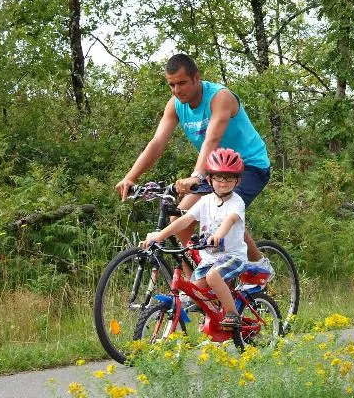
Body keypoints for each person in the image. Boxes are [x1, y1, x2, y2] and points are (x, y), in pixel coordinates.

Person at [115, 53, 272, 271]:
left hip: (249, 165)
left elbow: (212, 139)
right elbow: (157, 142)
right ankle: (195, 290)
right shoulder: (176, 105)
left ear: (196, 78)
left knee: (224, 210)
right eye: (171, 85)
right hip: (216, 168)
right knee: (179, 220)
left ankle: (259, 267)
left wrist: (197, 176)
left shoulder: (220, 97)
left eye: (182, 83)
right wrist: (130, 177)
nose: (177, 90)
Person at [141, 148, 249, 329]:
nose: (223, 182)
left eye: (229, 178)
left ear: (237, 181)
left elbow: (229, 220)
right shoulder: (205, 201)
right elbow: (185, 220)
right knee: (194, 291)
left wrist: (217, 236)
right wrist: (159, 236)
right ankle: (215, 318)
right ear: (209, 179)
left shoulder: (236, 202)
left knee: (213, 276)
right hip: (210, 259)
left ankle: (232, 314)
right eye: (219, 177)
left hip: (233, 256)